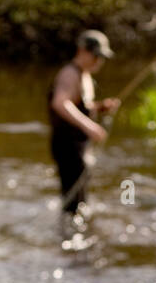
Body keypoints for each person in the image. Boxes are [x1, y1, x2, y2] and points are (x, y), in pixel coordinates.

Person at [47, 29, 120, 223]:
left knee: (80, 193)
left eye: (101, 58)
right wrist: (90, 126)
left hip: (79, 146)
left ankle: (77, 229)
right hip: (66, 146)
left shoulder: (85, 75)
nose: (98, 62)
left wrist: (101, 107)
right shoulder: (69, 74)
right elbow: (60, 103)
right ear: (82, 50)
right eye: (96, 56)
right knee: (72, 198)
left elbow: (81, 106)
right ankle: (69, 236)